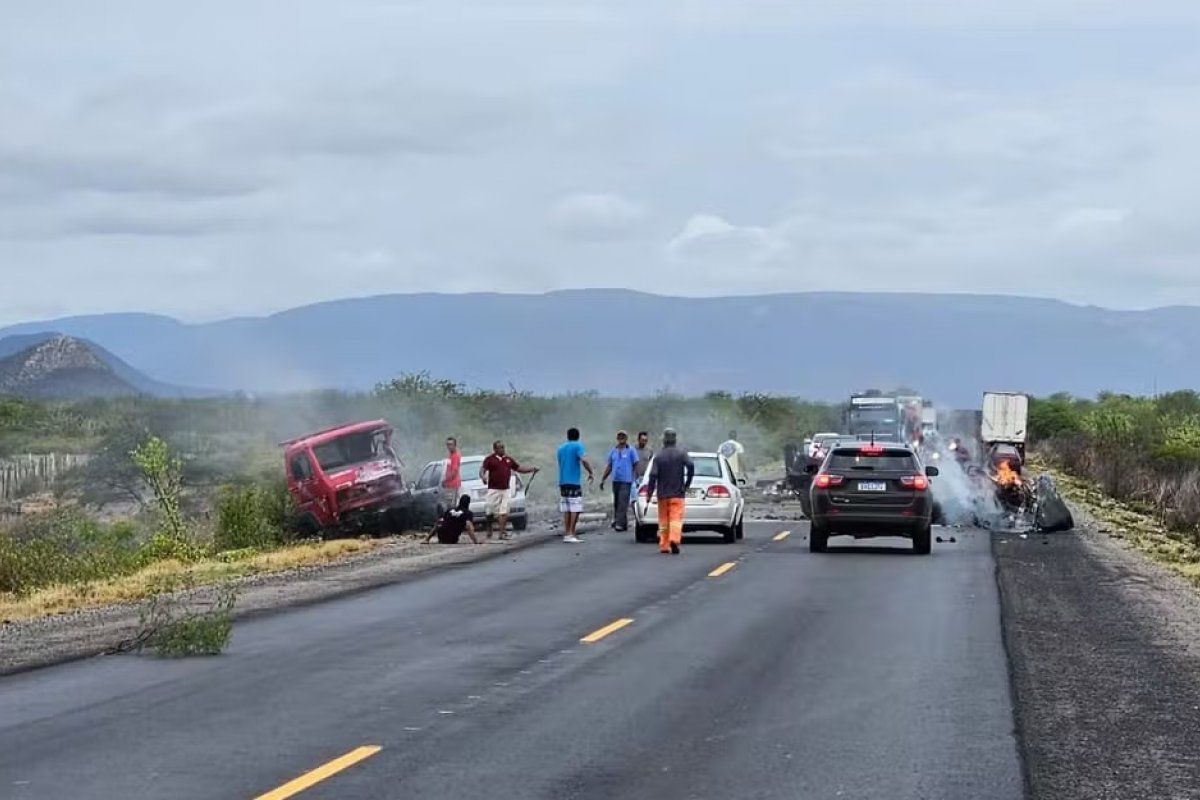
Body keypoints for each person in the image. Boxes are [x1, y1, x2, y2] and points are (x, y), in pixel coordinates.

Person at [644, 427, 694, 555]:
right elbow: (691, 465)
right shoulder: (682, 454)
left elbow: (653, 476)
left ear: (664, 440)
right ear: (675, 440)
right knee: (676, 519)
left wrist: (649, 494)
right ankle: (674, 540)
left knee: (664, 521)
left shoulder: (659, 456)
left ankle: (664, 545)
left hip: (662, 495)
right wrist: (687, 483)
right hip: (678, 493)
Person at [480, 440, 537, 540]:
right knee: (490, 512)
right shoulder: (489, 459)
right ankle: (489, 528)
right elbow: (482, 470)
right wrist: (483, 477)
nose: (502, 449)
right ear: (495, 449)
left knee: (504, 511)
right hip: (493, 490)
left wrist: (531, 469)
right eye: (500, 448)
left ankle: (502, 533)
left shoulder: (508, 460)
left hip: (505, 489)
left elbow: (519, 468)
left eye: (503, 447)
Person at [557, 427, 594, 544]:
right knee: (575, 509)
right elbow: (584, 460)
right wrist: (590, 472)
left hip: (563, 482)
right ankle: (571, 533)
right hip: (573, 482)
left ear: (568, 436)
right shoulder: (578, 446)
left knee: (566, 508)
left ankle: (567, 532)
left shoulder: (561, 448)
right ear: (578, 436)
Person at [600, 430, 639, 532]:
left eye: (623, 436)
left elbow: (636, 464)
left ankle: (619, 524)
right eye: (619, 436)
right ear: (617, 438)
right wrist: (603, 479)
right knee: (617, 502)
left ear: (626, 438)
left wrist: (635, 477)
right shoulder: (613, 451)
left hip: (626, 481)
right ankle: (623, 523)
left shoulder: (631, 450)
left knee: (623, 502)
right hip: (616, 480)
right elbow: (609, 466)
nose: (621, 438)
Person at [441, 436, 462, 512]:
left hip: (453, 485)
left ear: (455, 445)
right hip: (449, 485)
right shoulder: (451, 455)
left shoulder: (455, 456)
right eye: (447, 445)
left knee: (452, 507)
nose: (449, 446)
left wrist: (445, 480)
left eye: (451, 444)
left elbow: (454, 471)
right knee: (449, 505)